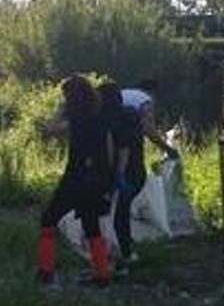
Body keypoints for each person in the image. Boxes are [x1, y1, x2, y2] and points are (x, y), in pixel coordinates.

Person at [36, 75, 114, 286]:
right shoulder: (100, 119)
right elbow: (109, 151)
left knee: (48, 220)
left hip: (75, 178)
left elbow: (51, 129)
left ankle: (45, 271)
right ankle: (102, 274)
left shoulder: (75, 119)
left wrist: (60, 110)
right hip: (97, 179)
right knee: (91, 225)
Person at [97, 81, 145, 269]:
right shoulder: (131, 113)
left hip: (125, 174)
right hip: (138, 172)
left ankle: (124, 255)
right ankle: (122, 252)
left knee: (118, 217)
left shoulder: (112, 118)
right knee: (119, 215)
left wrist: (117, 176)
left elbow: (123, 149)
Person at [122, 79, 179, 160]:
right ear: (152, 92)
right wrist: (167, 149)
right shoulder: (145, 99)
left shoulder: (126, 93)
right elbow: (148, 129)